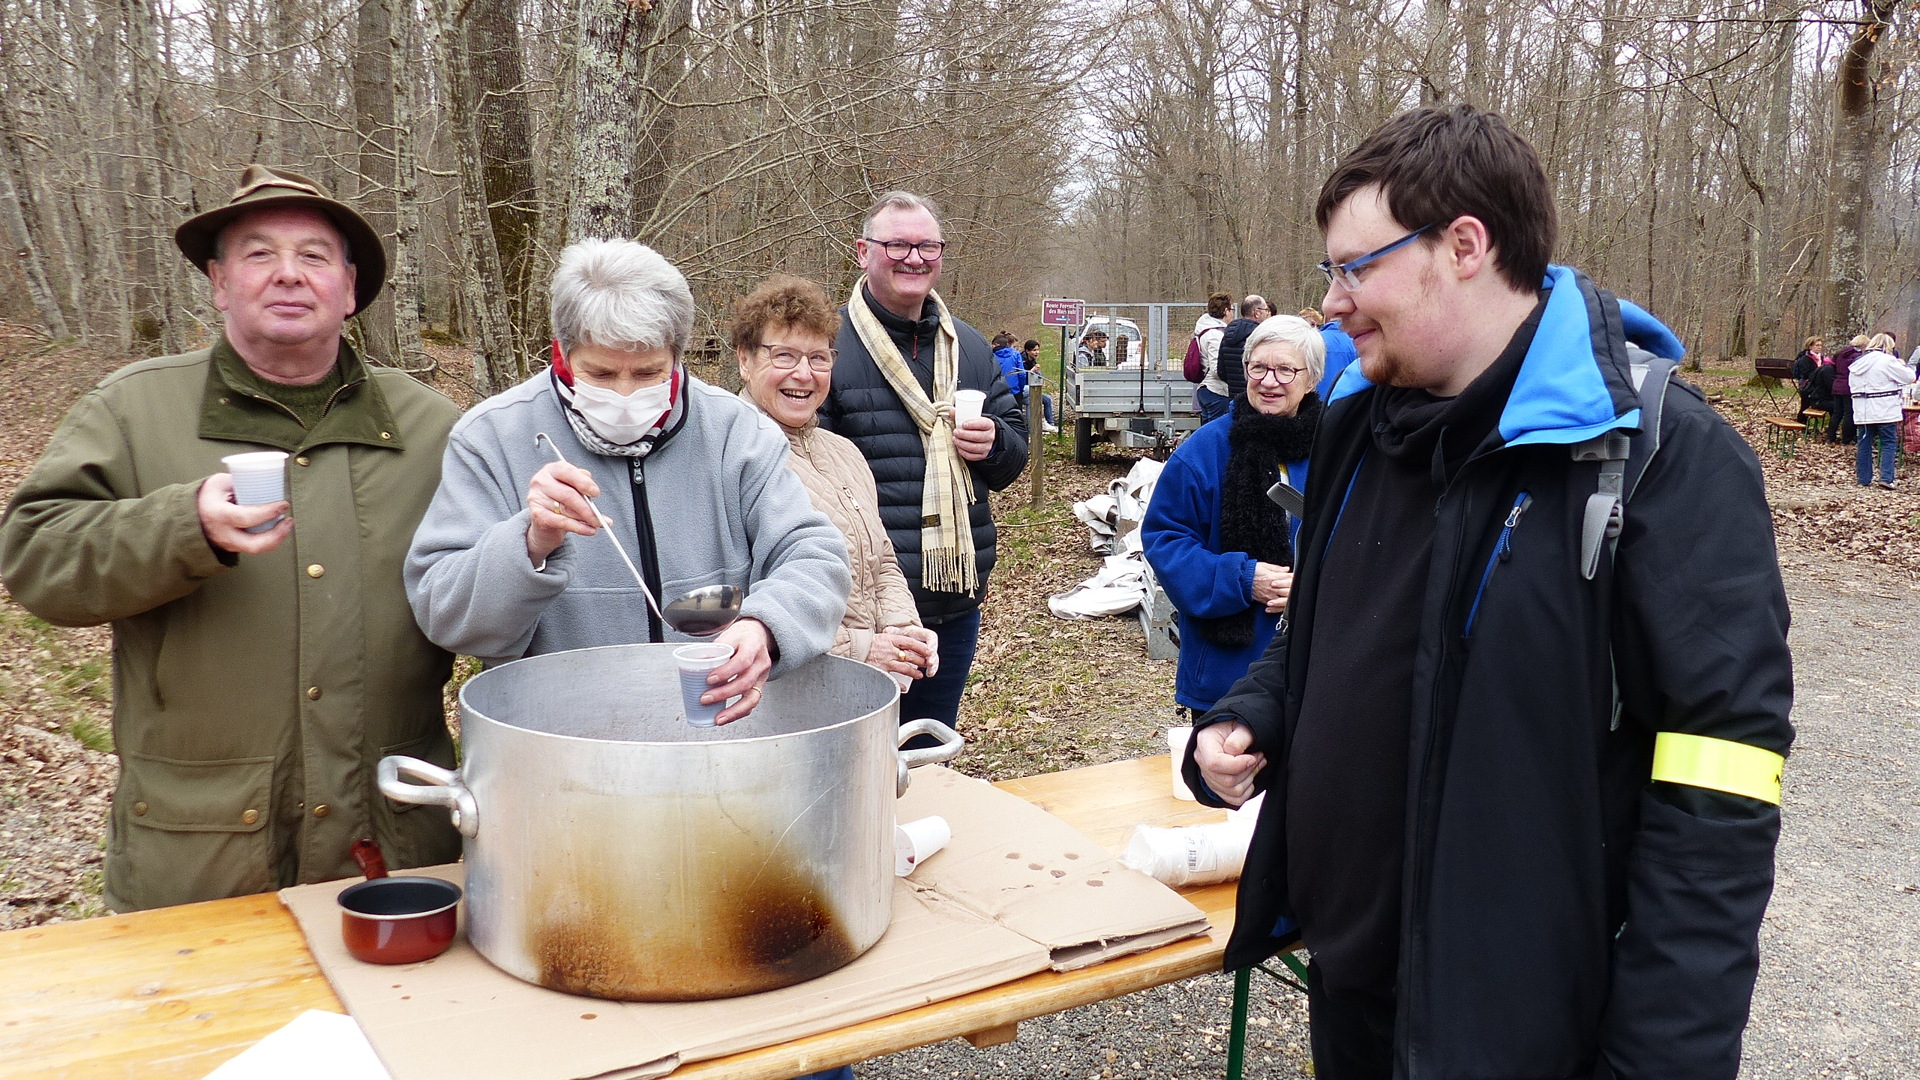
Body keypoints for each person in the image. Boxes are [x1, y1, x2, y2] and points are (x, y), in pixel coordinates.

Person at [1187, 105, 1793, 1079]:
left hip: (1519, 1021)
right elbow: (1328, 626)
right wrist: (1255, 711)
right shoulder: (1355, 420)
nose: (1331, 303)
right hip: (1352, 989)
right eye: (1327, 273)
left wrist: (1661, 1058)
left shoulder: (1657, 455)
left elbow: (1722, 787)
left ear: (1465, 244)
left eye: (1355, 267)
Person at [0, 165, 465, 911]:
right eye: (258, 254)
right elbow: (34, 557)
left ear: (350, 289)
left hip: (396, 853)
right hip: (199, 861)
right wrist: (182, 526)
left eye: (314, 257)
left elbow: (495, 596)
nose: (288, 275)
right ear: (219, 283)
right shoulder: (133, 410)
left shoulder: (433, 430)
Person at [406, 240, 850, 724]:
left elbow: (815, 555)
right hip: (559, 744)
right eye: (599, 372)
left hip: (719, 735)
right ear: (562, 353)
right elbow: (443, 612)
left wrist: (765, 625)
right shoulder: (491, 437)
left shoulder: (737, 434)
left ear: (678, 358)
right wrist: (530, 543)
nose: (624, 393)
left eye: (647, 372)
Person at [819, 191, 1030, 734]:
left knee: (927, 746)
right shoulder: (827, 347)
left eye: (928, 246)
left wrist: (996, 445)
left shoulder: (972, 349)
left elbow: (1014, 455)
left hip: (953, 601)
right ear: (863, 252)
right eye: (898, 245)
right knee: (855, 756)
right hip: (862, 611)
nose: (914, 258)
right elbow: (804, 472)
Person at [732, 274, 940, 685]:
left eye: (819, 357)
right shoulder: (729, 457)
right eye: (784, 356)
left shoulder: (843, 452)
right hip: (773, 698)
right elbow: (733, 604)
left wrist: (902, 630)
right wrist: (862, 648)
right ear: (744, 360)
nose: (804, 374)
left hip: (858, 689)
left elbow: (882, 562)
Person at [1142, 316, 1323, 715]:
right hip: (1227, 671)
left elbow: (1364, 543)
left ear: (1311, 379)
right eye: (1258, 367)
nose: (1269, 381)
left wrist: (1314, 588)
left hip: (1320, 665)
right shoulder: (1204, 451)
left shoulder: (1335, 451)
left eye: (1285, 370)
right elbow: (1164, 540)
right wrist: (1241, 579)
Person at [1849, 332, 1916, 490]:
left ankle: (1863, 478)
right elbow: (1909, 377)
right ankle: (1886, 477)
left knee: (1864, 443)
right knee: (1888, 442)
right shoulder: (1887, 361)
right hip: (1884, 408)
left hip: (1862, 409)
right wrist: (1901, 365)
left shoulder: (1858, 363)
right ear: (1888, 346)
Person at [1215, 294, 1272, 399]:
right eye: (1266, 310)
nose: (1268, 314)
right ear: (1257, 313)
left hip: (1234, 396)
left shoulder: (1227, 333)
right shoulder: (1259, 336)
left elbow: (1221, 371)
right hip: (1256, 396)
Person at [1193, 292, 1234, 422]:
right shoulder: (1215, 334)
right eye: (1231, 309)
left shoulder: (1203, 331)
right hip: (1216, 390)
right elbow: (1217, 368)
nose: (1232, 313)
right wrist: (1231, 381)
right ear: (1226, 311)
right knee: (1217, 433)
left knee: (1207, 432)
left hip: (1204, 388)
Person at [1828, 334, 1867, 444]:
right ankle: (1846, 438)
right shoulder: (1858, 356)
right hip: (1848, 386)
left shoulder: (1841, 354)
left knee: (1837, 413)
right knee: (1849, 413)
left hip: (1837, 384)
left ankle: (1830, 437)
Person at [1022, 338, 1058, 433]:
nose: (1037, 352)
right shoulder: (1022, 361)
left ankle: (1050, 424)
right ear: (1027, 351)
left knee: (1047, 399)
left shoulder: (1033, 360)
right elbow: (1021, 377)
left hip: (1031, 388)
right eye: (1034, 350)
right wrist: (1031, 372)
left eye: (1038, 350)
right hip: (1023, 390)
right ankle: (1032, 429)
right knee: (1032, 400)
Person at [992, 331, 1030, 414]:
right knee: (1017, 416)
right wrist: (1020, 388)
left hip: (998, 392)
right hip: (1015, 390)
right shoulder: (1015, 354)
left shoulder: (992, 356)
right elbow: (1022, 374)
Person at [1793, 335, 1826, 425]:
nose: (1819, 347)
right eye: (1817, 345)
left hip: (1819, 386)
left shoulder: (1822, 358)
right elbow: (1806, 373)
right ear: (1810, 346)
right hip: (1807, 386)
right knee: (1805, 404)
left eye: (1820, 345)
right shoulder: (1805, 359)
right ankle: (1802, 423)